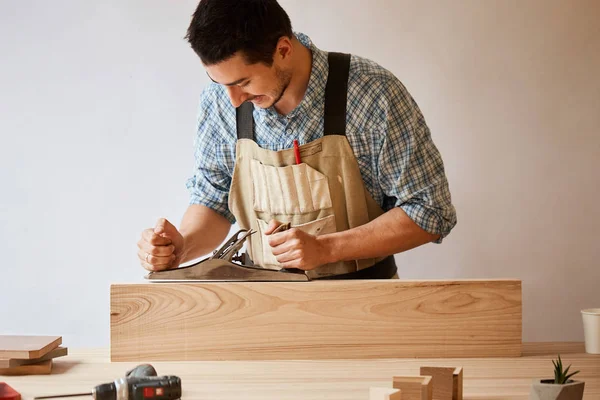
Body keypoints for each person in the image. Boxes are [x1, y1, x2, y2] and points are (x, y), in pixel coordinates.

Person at [137, 0, 457, 279]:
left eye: (244, 82)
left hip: (364, 304)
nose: (233, 99)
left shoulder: (373, 93)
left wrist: (326, 248)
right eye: (221, 83)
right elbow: (214, 199)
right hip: (261, 305)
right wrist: (181, 246)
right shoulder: (219, 101)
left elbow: (430, 211)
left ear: (283, 50)